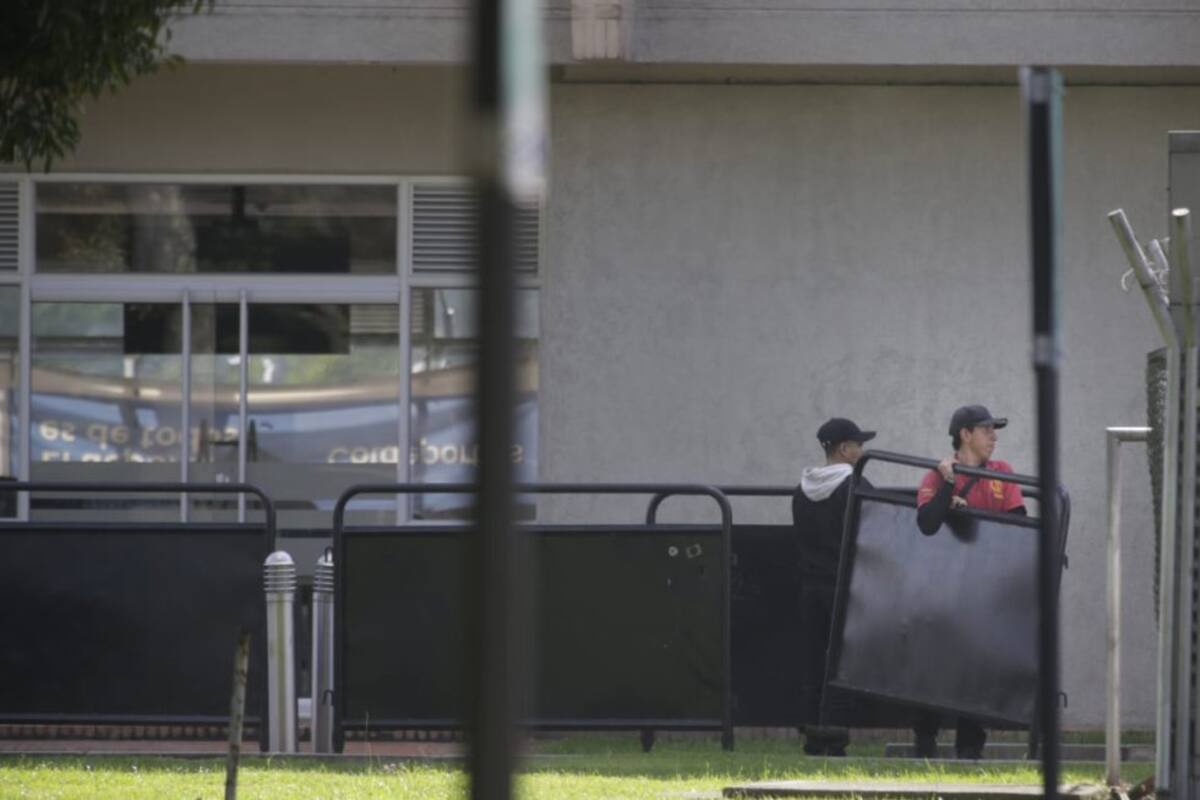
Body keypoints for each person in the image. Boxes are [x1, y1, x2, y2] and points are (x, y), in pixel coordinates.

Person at [912, 404, 1026, 759]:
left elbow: (1020, 526)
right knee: (933, 667)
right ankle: (925, 746)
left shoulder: (1003, 473)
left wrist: (970, 514)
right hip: (942, 593)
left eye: (994, 430)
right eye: (987, 429)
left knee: (979, 670)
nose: (994, 437)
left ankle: (969, 751)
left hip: (985, 593)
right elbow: (927, 523)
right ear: (965, 434)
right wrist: (948, 489)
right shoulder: (937, 475)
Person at [792, 417, 876, 757]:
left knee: (814, 662)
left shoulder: (802, 490)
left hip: (811, 587)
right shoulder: (855, 484)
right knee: (841, 664)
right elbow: (873, 530)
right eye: (858, 444)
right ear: (844, 449)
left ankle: (813, 737)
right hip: (845, 587)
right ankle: (835, 737)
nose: (862, 450)